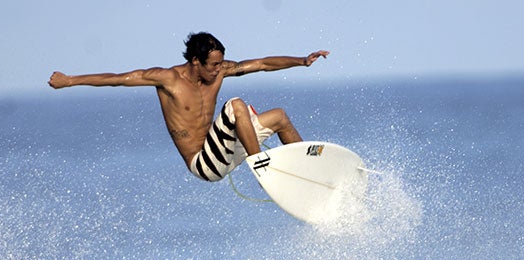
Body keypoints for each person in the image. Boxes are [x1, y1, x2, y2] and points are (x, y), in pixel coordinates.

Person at [49, 32, 329, 182]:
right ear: (196, 61)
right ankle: (263, 169)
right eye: (214, 65)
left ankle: (308, 171)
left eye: (222, 63)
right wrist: (70, 80)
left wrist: (301, 60)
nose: (220, 70)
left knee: (279, 116)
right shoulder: (168, 80)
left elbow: (262, 64)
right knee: (236, 105)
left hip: (223, 150)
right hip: (203, 163)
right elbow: (118, 80)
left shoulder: (218, 71)